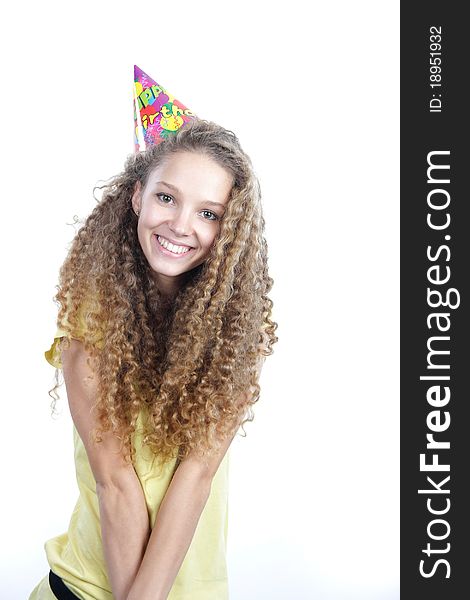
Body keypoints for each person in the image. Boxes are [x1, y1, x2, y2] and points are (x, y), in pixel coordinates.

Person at [29, 110, 278, 599]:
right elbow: (116, 483)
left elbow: (196, 476)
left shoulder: (234, 332)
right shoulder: (90, 322)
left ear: (228, 229)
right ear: (137, 195)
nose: (181, 225)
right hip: (88, 589)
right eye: (167, 198)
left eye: (208, 213)